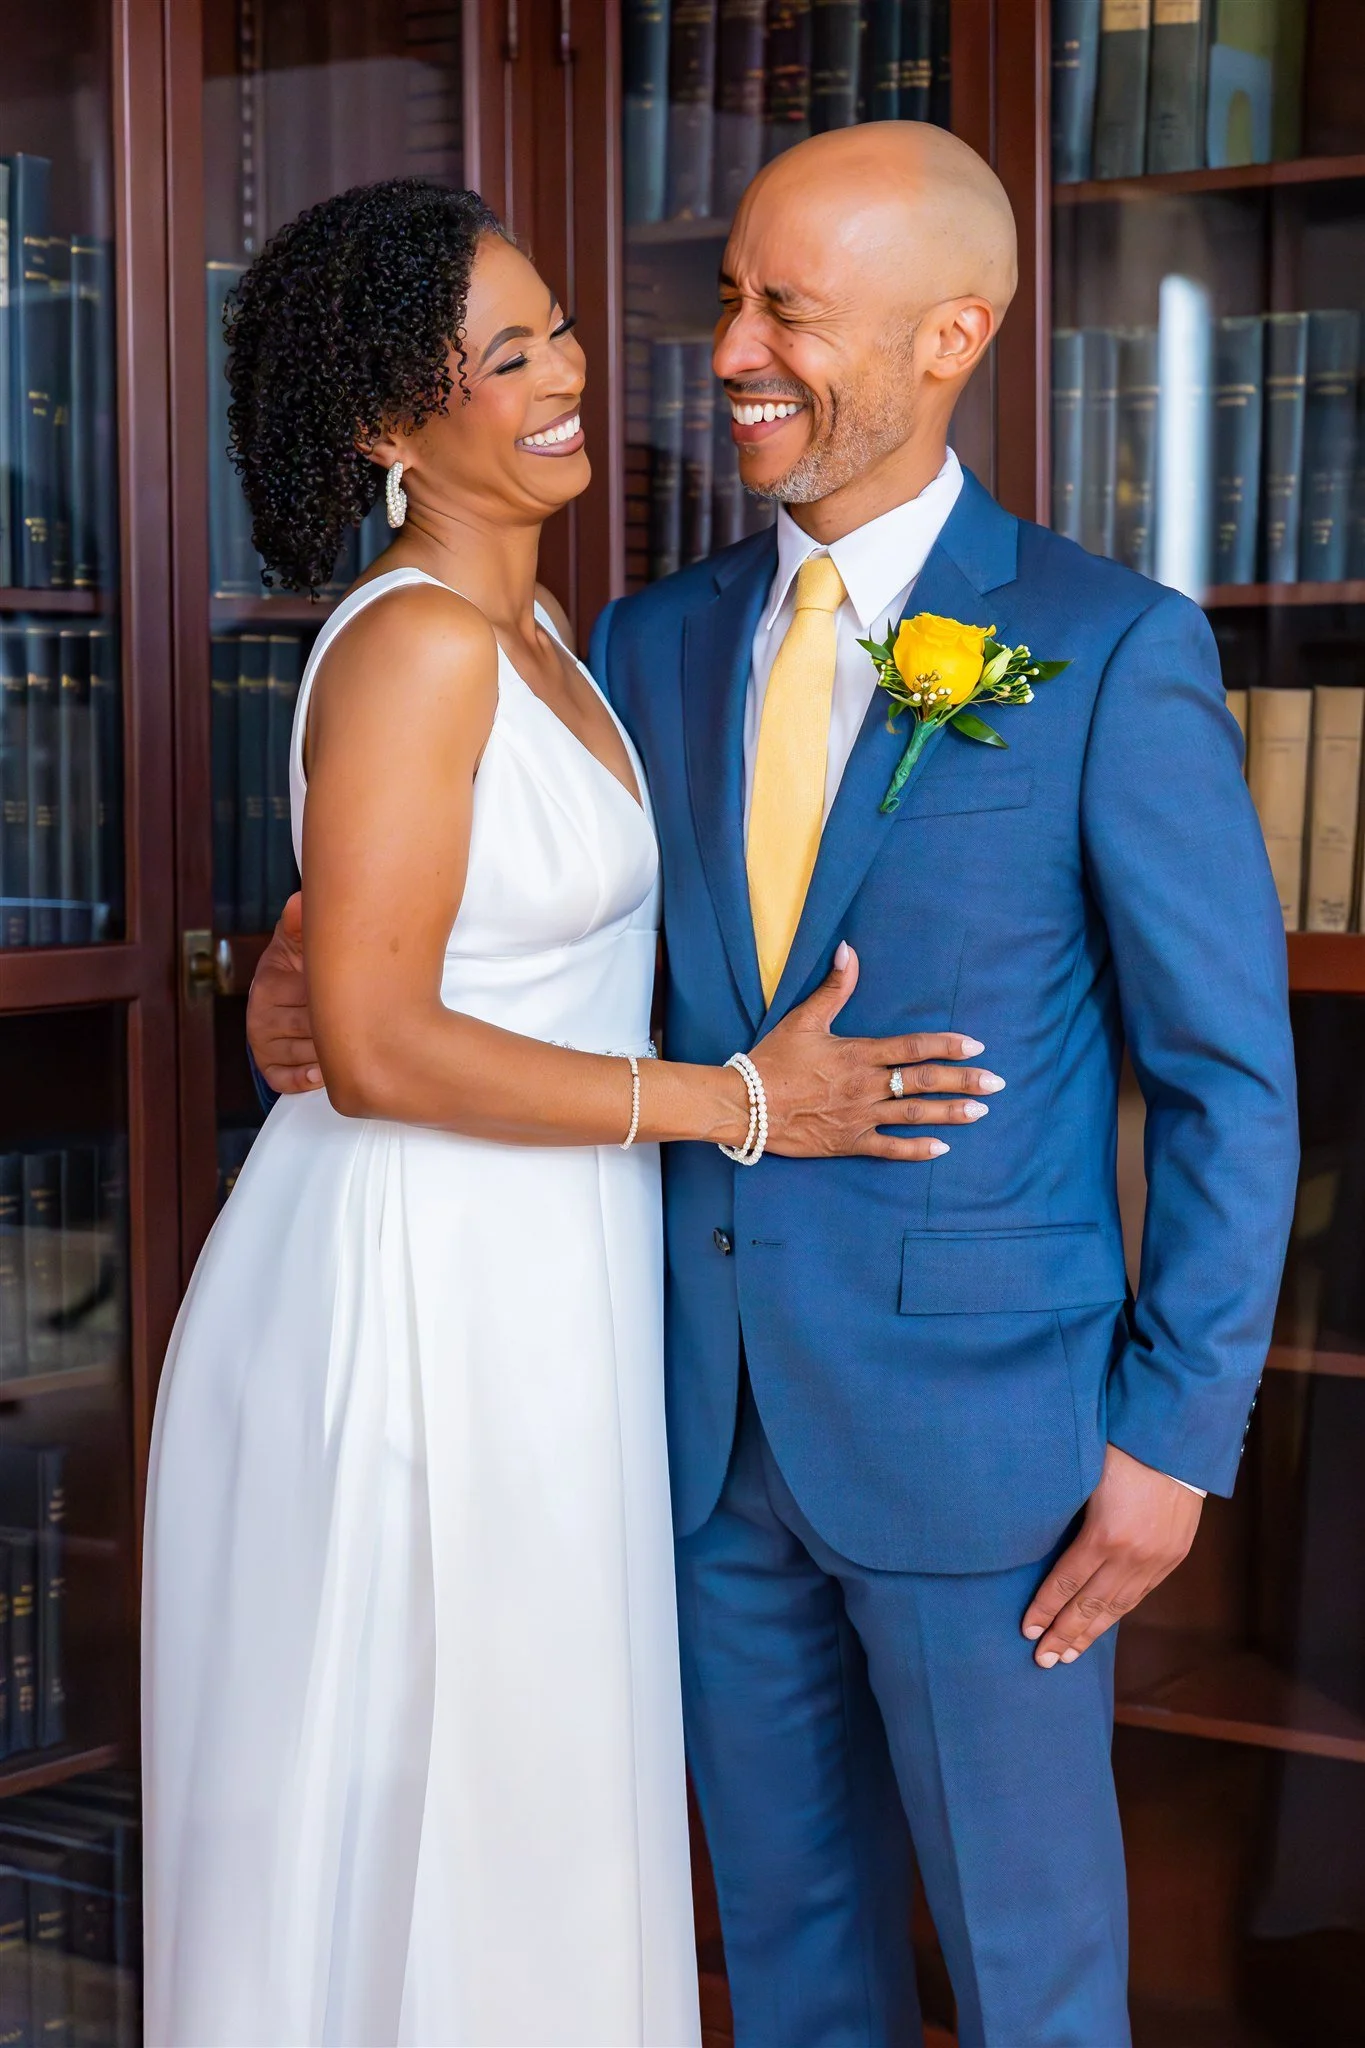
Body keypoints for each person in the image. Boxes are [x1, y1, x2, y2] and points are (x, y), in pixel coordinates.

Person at [247, 127, 1300, 2044]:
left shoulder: (1106, 648)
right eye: (728, 297)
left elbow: (1231, 1079)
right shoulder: (629, 646)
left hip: (991, 1463)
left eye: (788, 312)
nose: (729, 348)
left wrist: (1176, 1440)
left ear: (951, 334)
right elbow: (446, 926)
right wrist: (286, 982)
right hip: (680, 1438)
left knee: (1034, 1983)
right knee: (786, 1972)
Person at [141, 177, 996, 2048]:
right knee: (426, 1799)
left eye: (560, 333)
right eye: (504, 352)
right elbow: (373, 1043)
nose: (565, 378)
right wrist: (742, 1108)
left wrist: (304, 963)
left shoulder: (557, 644)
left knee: (523, 1795)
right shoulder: (420, 640)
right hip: (418, 1295)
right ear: (385, 424)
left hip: (551, 1272)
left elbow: (399, 951)